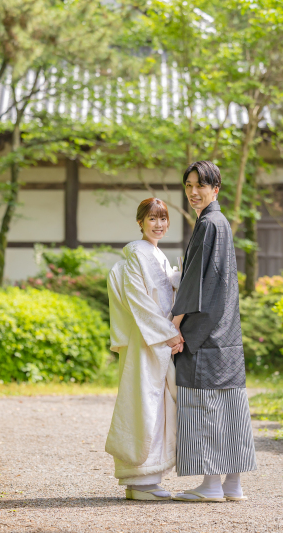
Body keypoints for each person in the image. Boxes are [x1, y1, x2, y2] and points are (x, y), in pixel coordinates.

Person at [170, 160, 257, 503]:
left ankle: (210, 484)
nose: (193, 192)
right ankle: (232, 484)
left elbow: (196, 283)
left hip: (205, 334)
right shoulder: (220, 222)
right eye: (189, 185)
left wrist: (177, 325)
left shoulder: (209, 224)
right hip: (226, 335)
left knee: (202, 406)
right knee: (231, 408)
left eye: (200, 186)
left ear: (215, 189)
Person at [105, 198, 184, 501]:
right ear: (140, 222)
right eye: (152, 219)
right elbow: (140, 302)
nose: (158, 224)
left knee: (159, 405)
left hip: (158, 340)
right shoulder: (137, 254)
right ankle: (139, 480)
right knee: (143, 403)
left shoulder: (158, 255)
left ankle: (150, 476)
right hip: (145, 340)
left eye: (163, 219)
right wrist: (168, 334)